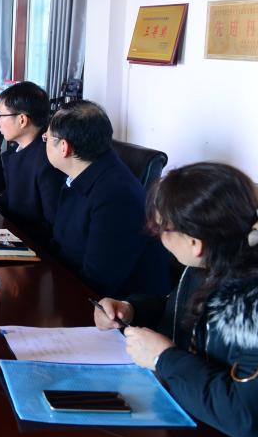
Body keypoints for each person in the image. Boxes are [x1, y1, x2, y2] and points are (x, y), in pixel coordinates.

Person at [95, 163, 258, 437]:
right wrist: (133, 310)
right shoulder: (228, 250)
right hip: (208, 432)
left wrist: (163, 358)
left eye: (162, 229)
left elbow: (251, 416)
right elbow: (190, 317)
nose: (159, 237)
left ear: (194, 243)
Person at [45, 100, 169, 298]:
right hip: (70, 283)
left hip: (113, 305)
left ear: (64, 148)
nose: (44, 143)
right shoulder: (79, 174)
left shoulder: (116, 196)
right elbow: (61, 243)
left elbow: (98, 281)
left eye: (47, 138)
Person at [0, 81, 64, 236]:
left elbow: (52, 224)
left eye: (1, 115)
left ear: (22, 120)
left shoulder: (48, 161)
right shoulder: (15, 153)